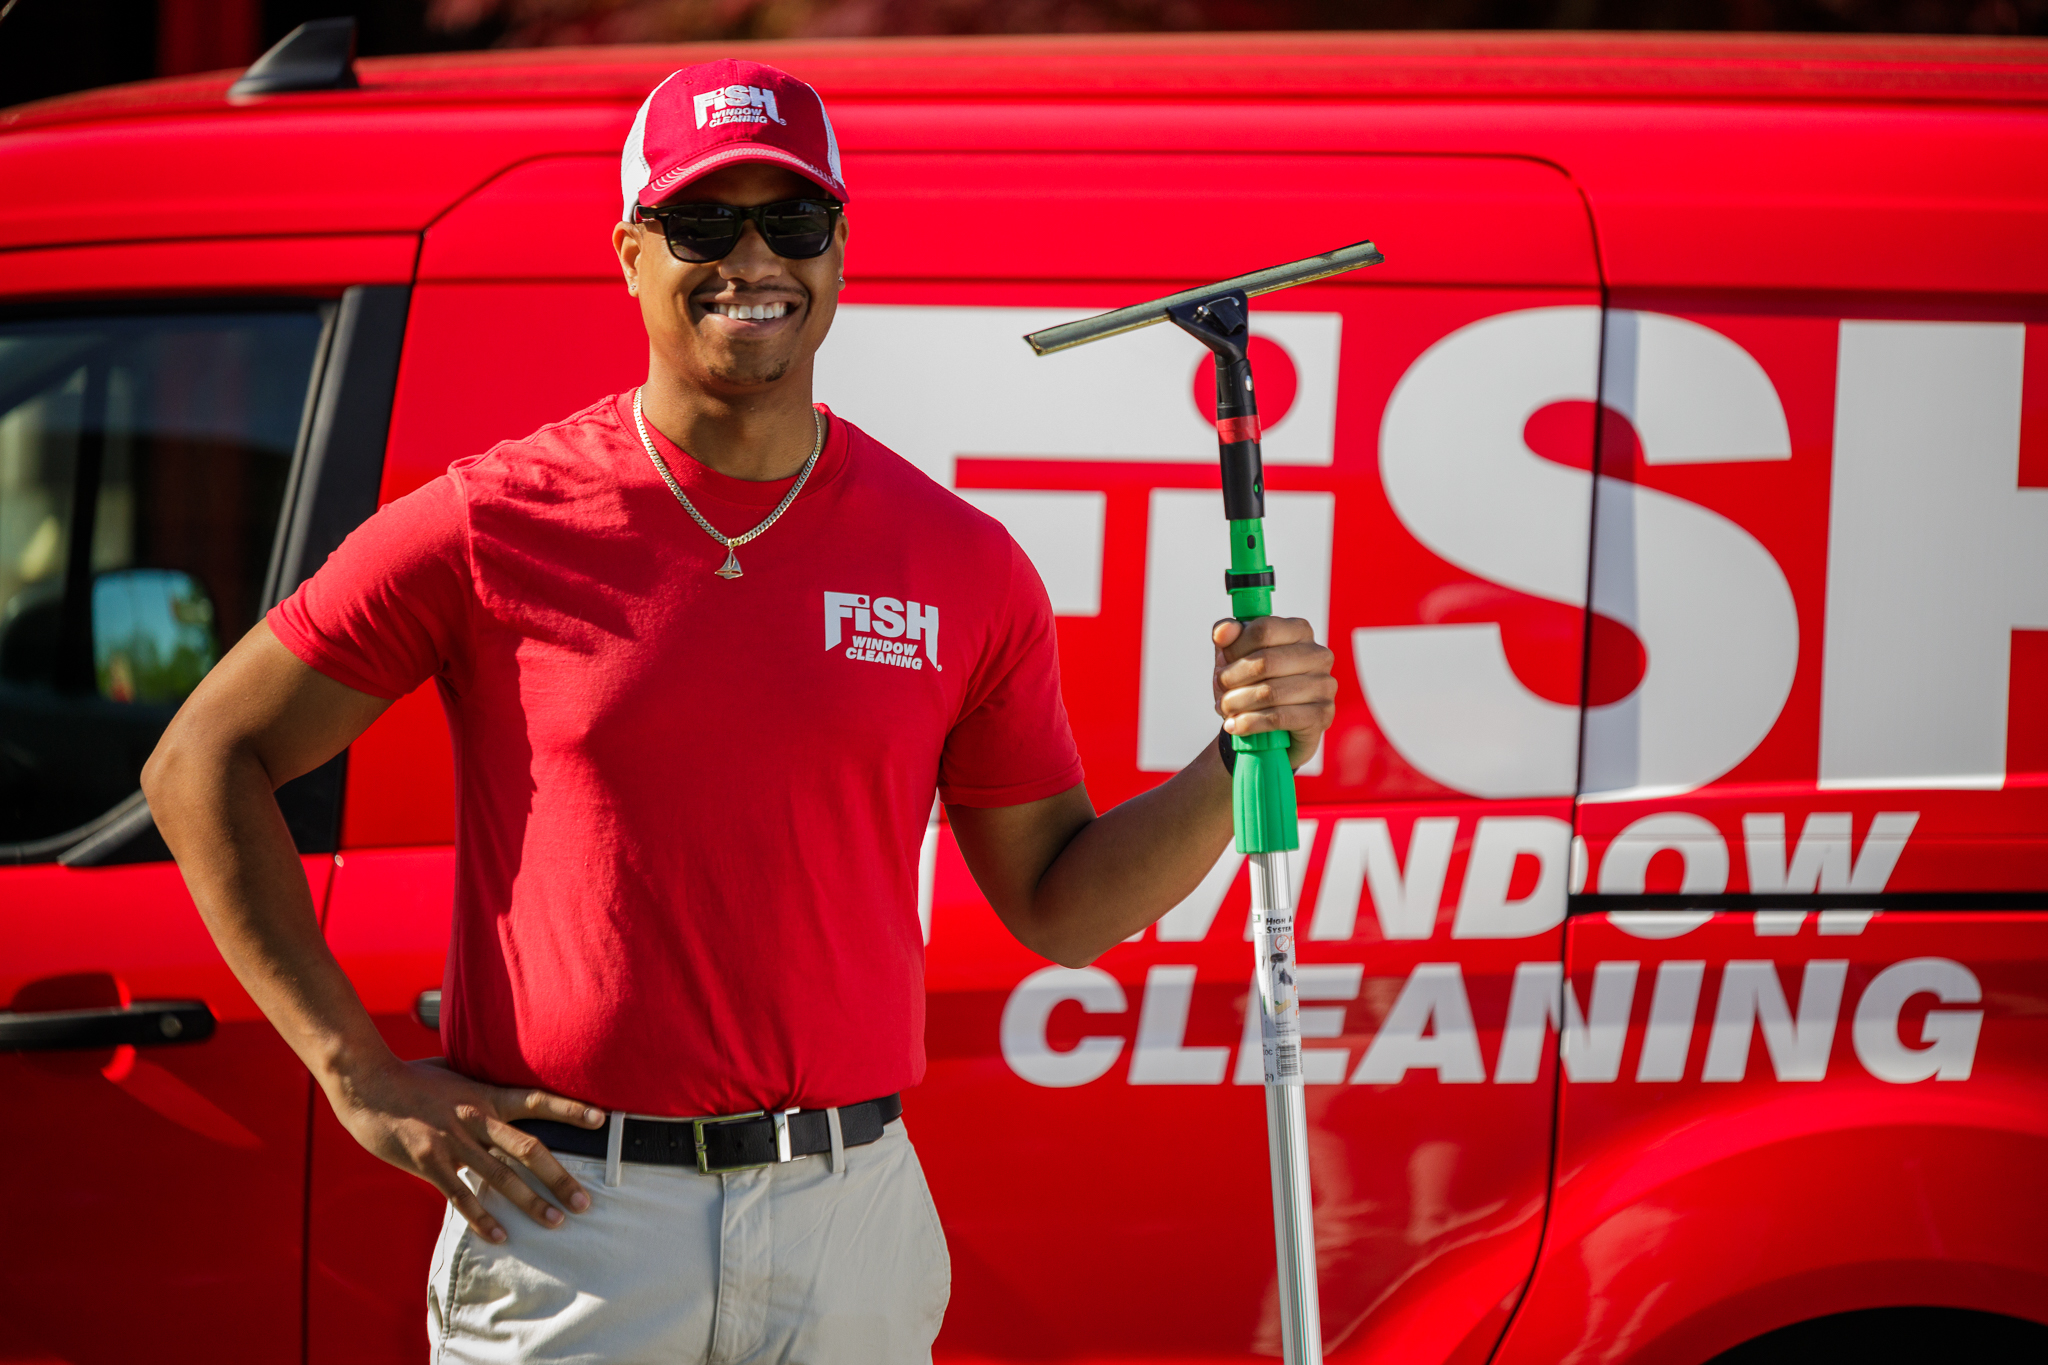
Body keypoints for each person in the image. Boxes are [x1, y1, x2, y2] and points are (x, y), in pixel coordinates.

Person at [143, 58, 1337, 1365]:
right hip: (576, 1217)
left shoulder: (960, 562)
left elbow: (1063, 901)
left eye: (794, 221)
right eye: (704, 224)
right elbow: (205, 755)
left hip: (848, 1218)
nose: (752, 259)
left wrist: (1238, 757)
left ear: (839, 248)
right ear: (631, 253)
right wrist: (353, 1069)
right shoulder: (496, 521)